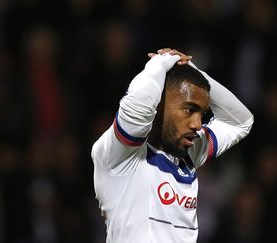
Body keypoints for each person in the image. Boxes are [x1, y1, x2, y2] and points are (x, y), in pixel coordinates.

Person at [91, 48, 254, 243]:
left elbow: (241, 121)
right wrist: (161, 62)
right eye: (189, 109)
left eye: (201, 114)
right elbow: (138, 107)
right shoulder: (121, 155)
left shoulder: (189, 154)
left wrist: (191, 70)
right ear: (157, 104)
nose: (197, 124)